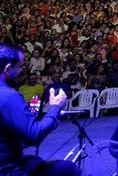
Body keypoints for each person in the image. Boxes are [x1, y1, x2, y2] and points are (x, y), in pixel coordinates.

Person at [0, 44, 79, 175]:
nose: (21, 71)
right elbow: (34, 135)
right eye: (19, 67)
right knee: (67, 168)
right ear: (7, 69)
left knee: (34, 161)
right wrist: (55, 107)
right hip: (7, 170)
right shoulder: (9, 96)